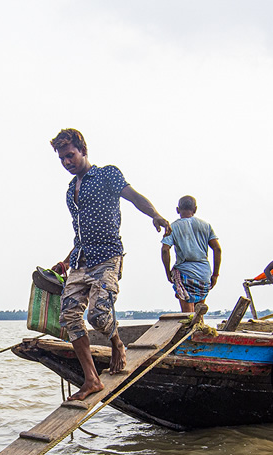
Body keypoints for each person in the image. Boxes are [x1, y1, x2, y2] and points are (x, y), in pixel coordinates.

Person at [49, 128, 170, 401]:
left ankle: (117, 343)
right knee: (68, 317)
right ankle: (92, 380)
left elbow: (134, 196)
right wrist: (65, 261)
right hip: (81, 261)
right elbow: (81, 233)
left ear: (83, 149)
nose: (67, 162)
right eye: (62, 159)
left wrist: (156, 215)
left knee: (98, 315)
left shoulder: (107, 175)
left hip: (107, 257)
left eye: (70, 156)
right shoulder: (70, 191)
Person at [160, 195, 222, 313]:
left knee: (188, 316)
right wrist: (215, 274)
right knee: (199, 314)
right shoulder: (206, 226)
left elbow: (165, 250)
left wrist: (168, 272)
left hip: (185, 274)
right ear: (195, 209)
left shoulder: (173, 227)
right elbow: (217, 249)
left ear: (178, 209)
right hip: (204, 274)